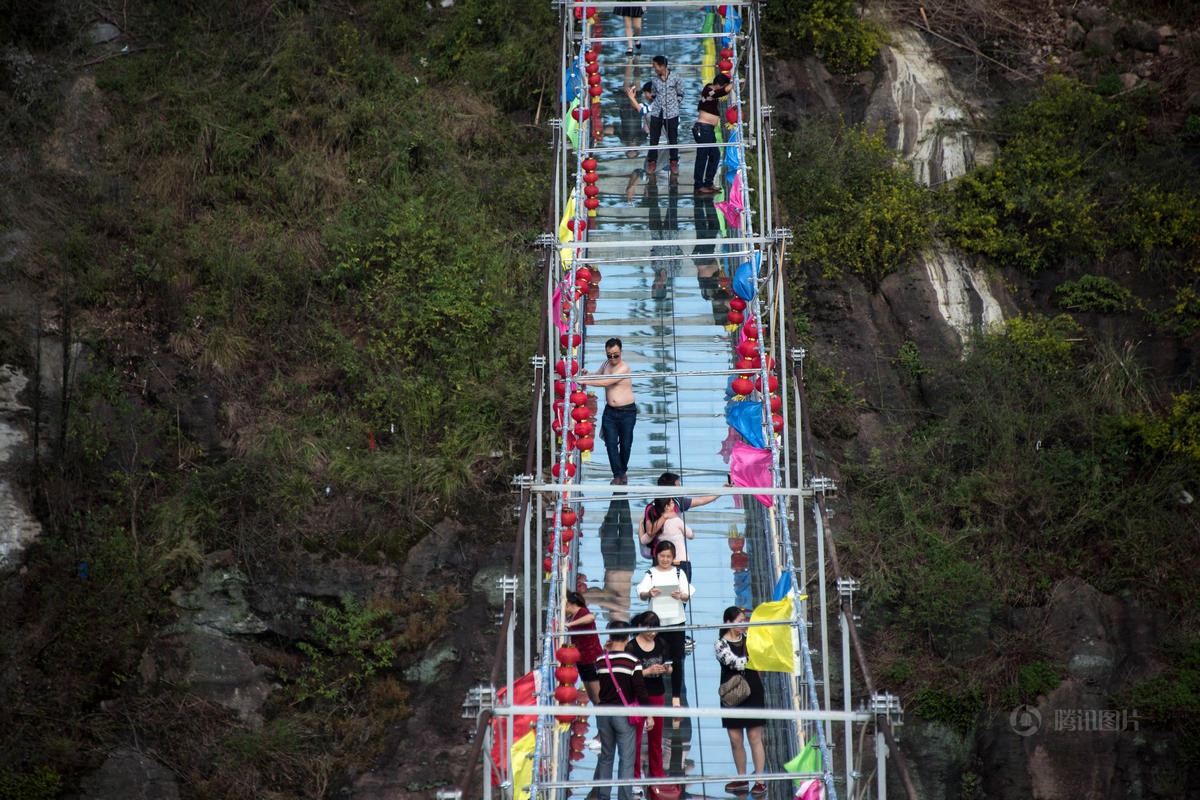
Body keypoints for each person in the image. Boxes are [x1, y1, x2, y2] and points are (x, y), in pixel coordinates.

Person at [595, 620, 654, 800]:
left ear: (610, 637)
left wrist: (606, 652)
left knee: (606, 756)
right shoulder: (632, 662)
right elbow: (640, 691)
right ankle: (624, 797)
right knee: (626, 759)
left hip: (604, 714)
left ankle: (603, 795)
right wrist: (649, 715)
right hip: (623, 714)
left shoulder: (599, 661)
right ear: (629, 637)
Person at [716, 606, 767, 796]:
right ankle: (742, 777)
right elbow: (734, 663)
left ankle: (760, 780)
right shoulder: (720, 644)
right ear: (728, 623)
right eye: (739, 621)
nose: (743, 625)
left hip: (753, 691)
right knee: (735, 739)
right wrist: (752, 657)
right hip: (732, 696)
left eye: (744, 620)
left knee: (755, 738)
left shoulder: (751, 639)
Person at [636, 541, 693, 705]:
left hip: (676, 620)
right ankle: (651, 693)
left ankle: (676, 696)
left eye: (668, 556)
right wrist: (649, 593)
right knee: (654, 656)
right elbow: (641, 593)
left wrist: (680, 595)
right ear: (657, 556)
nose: (665, 559)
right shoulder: (651, 574)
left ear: (673, 557)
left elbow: (687, 594)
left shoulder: (678, 573)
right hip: (657, 623)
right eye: (662, 556)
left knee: (677, 658)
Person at [582, 338, 636, 485]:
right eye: (609, 355)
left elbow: (606, 382)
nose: (612, 358)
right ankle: (618, 475)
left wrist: (584, 381)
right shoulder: (606, 364)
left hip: (627, 412)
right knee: (610, 443)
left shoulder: (624, 368)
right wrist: (587, 376)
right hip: (610, 412)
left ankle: (622, 471)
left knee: (626, 444)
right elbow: (598, 376)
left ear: (621, 353)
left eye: (615, 355)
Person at [624, 611, 669, 779]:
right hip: (637, 695)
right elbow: (629, 675)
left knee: (656, 737)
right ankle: (634, 775)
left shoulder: (661, 643)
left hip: (657, 692)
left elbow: (669, 664)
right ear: (640, 627)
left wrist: (666, 669)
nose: (653, 633)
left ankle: (656, 772)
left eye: (655, 630)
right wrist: (647, 671)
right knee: (634, 738)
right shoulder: (631, 647)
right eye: (650, 629)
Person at [638, 471, 721, 546]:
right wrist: (665, 517)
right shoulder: (652, 507)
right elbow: (650, 532)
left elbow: (701, 500)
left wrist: (721, 491)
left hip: (677, 551)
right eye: (678, 486)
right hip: (660, 554)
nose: (680, 489)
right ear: (670, 488)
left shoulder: (677, 501)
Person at [693, 73, 732, 193]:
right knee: (702, 157)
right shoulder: (708, 90)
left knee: (715, 155)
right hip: (703, 129)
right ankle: (699, 185)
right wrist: (731, 85)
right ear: (720, 85)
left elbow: (721, 92)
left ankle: (708, 182)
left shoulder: (713, 93)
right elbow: (720, 93)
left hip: (709, 130)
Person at [564, 590, 604, 704]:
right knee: (593, 697)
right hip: (583, 662)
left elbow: (591, 617)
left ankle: (603, 720)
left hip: (591, 660)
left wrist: (570, 625)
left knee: (597, 698)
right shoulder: (573, 617)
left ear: (567, 604)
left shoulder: (582, 612)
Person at [647, 56, 685, 175]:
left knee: (672, 138)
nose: (654, 68)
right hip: (657, 112)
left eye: (655, 66)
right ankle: (652, 162)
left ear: (662, 66)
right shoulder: (655, 80)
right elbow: (653, 93)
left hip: (671, 113)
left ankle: (673, 162)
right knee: (654, 138)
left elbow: (681, 92)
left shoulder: (675, 78)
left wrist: (676, 102)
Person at [652, 498, 694, 583]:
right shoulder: (676, 521)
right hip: (681, 562)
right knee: (683, 591)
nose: (673, 503)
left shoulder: (656, 525)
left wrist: (641, 523)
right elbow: (691, 535)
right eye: (671, 502)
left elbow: (644, 539)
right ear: (666, 507)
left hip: (664, 562)